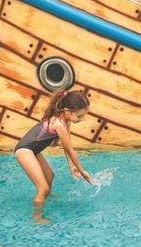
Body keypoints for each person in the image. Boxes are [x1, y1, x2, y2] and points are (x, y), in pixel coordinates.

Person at [14, 89, 92, 222]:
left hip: (33, 150)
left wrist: (71, 166)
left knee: (50, 176)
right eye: (79, 116)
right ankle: (37, 217)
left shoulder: (65, 121)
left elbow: (67, 145)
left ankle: (44, 197)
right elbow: (70, 149)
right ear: (67, 111)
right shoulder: (58, 124)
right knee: (42, 187)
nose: (81, 119)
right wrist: (82, 171)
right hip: (24, 150)